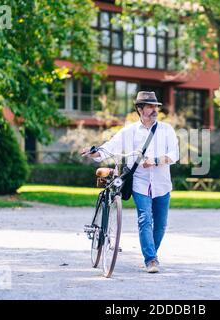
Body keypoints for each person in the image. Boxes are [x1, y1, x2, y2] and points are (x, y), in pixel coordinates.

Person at [82, 91, 179, 273]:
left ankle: (151, 254)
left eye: (155, 106)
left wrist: (157, 160)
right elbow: (109, 147)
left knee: (160, 224)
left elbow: (175, 155)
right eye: (150, 106)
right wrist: (94, 152)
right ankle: (151, 260)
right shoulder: (129, 131)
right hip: (140, 183)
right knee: (144, 219)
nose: (154, 110)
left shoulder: (167, 130)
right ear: (139, 109)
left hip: (162, 184)